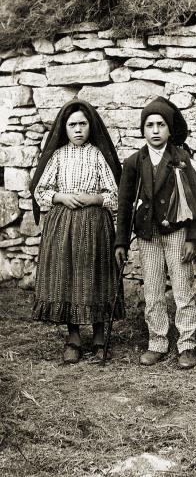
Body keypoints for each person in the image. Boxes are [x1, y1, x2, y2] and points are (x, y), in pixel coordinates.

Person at [30, 99, 123, 364]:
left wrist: (94, 199)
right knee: (67, 276)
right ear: (65, 128)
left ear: (90, 126)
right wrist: (60, 196)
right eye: (73, 125)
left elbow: (114, 194)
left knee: (95, 275)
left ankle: (99, 335)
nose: (78, 129)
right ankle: (73, 337)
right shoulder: (58, 156)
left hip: (94, 224)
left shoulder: (97, 155)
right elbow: (41, 191)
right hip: (64, 225)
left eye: (83, 124)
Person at [115, 97, 196, 369]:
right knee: (152, 289)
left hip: (176, 232)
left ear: (169, 129)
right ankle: (157, 341)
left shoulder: (180, 158)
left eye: (161, 125)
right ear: (143, 129)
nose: (155, 130)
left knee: (182, 287)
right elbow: (124, 203)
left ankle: (187, 343)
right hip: (147, 234)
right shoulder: (133, 162)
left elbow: (194, 199)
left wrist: (192, 236)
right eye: (150, 125)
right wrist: (121, 241)